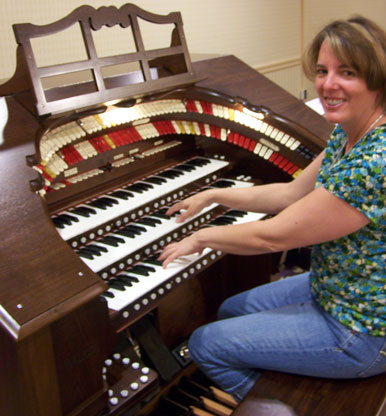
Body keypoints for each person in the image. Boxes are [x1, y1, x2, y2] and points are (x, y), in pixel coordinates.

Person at [158, 15, 386, 402]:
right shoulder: (350, 132)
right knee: (231, 309)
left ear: (377, 78)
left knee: (205, 344)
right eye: (322, 70)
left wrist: (202, 235)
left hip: (361, 331)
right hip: (334, 291)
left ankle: (300, 407)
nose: (328, 84)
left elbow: (271, 237)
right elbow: (290, 193)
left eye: (346, 72)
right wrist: (216, 194)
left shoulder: (373, 163)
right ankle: (285, 376)